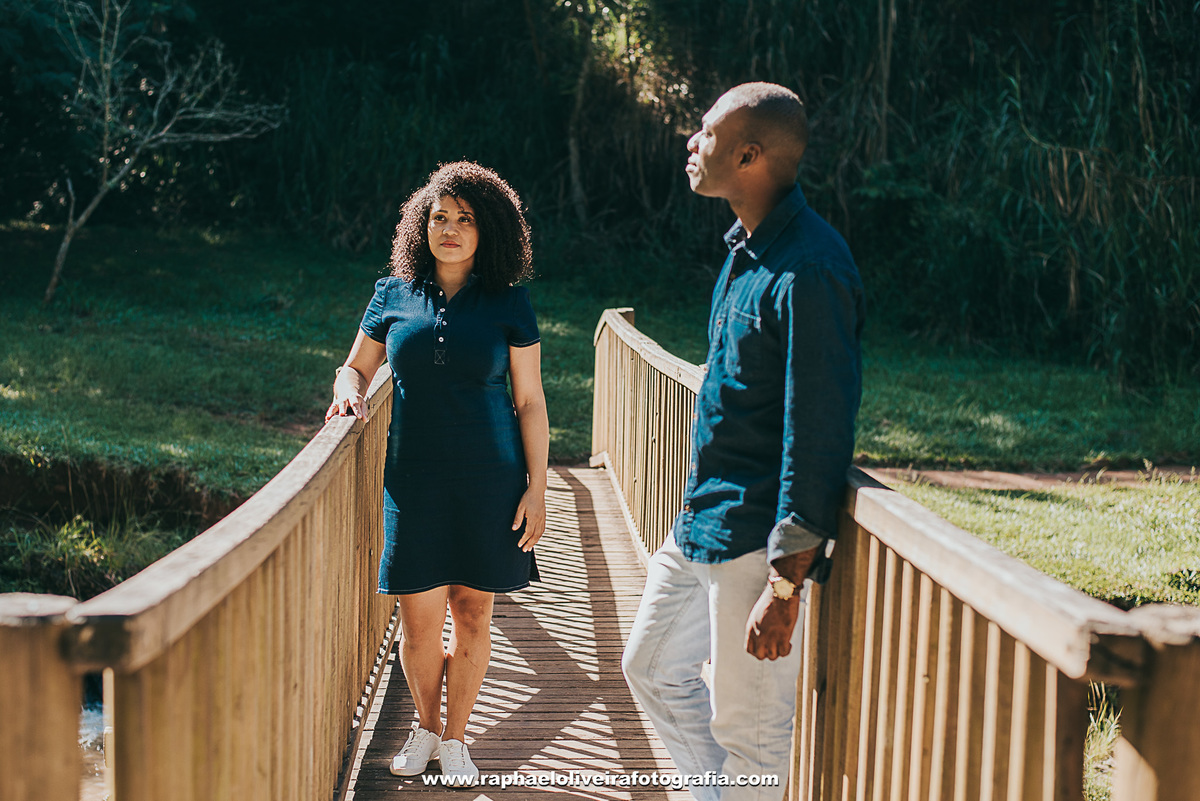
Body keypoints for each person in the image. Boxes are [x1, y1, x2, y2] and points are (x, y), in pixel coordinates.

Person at [621, 83, 864, 799]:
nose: (691, 143)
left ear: (750, 154)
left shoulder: (811, 270)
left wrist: (787, 582)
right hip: (701, 521)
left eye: (705, 132)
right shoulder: (745, 249)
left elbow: (817, 428)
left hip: (759, 543)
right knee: (652, 667)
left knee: (753, 738)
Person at [326, 161, 549, 784]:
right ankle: (425, 728)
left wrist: (538, 484)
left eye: (465, 219)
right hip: (414, 477)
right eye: (439, 218)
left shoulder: (509, 301)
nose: (449, 229)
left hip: (490, 476)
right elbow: (355, 367)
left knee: (473, 611)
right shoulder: (393, 292)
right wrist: (349, 393)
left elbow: (529, 400)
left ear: (489, 229)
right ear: (421, 226)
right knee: (419, 620)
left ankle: (457, 740)